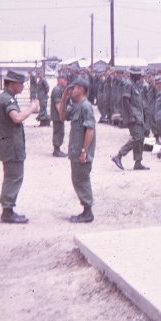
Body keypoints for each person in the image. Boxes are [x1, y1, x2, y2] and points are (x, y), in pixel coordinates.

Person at [0, 70, 39, 223]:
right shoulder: (7, 100)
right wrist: (32, 108)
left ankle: (8, 209)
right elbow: (17, 118)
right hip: (12, 147)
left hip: (8, 145)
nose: (23, 86)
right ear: (12, 84)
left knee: (10, 177)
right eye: (21, 84)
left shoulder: (4, 98)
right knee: (14, 177)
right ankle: (7, 212)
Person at [59, 77, 96, 223]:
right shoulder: (76, 105)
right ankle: (86, 210)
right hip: (75, 150)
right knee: (78, 179)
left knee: (81, 180)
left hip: (81, 152)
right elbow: (62, 117)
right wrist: (63, 99)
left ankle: (88, 212)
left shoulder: (86, 106)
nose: (71, 90)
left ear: (81, 89)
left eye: (73, 88)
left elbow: (90, 130)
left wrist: (84, 151)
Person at [111, 66, 150, 170]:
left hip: (138, 116)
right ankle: (119, 155)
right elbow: (125, 100)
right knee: (137, 137)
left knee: (140, 138)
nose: (140, 76)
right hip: (133, 117)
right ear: (134, 74)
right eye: (139, 74)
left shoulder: (135, 85)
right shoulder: (128, 84)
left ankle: (138, 162)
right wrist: (131, 115)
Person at [50, 75, 69, 157]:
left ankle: (57, 149)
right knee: (58, 132)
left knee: (59, 132)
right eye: (65, 80)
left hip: (58, 115)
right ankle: (56, 150)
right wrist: (62, 114)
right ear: (60, 80)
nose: (66, 82)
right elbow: (58, 104)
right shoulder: (57, 90)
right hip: (57, 116)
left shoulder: (60, 89)